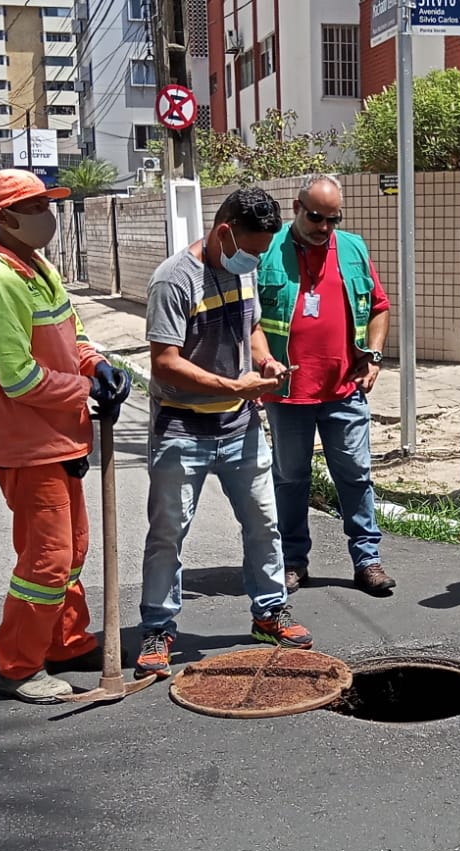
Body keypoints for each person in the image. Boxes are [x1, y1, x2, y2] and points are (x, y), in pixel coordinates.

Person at [0, 169, 132, 703]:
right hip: (29, 446)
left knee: (72, 550)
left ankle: (64, 641)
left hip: (61, 438)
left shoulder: (38, 268)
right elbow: (18, 378)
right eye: (34, 207)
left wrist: (97, 364)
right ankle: (17, 666)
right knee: (46, 560)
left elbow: (72, 336)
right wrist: (84, 389)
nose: (47, 216)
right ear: (4, 218)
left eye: (47, 205)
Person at [135, 186, 313, 680]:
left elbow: (250, 327)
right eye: (251, 249)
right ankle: (158, 627)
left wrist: (266, 360)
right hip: (182, 429)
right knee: (168, 533)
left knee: (264, 524)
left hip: (240, 426)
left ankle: (269, 611)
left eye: (261, 252)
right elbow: (164, 362)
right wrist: (235, 385)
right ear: (224, 232)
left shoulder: (244, 268)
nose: (254, 260)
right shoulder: (173, 280)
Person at [256, 174, 398, 597]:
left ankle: (367, 560)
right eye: (316, 217)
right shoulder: (268, 249)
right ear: (297, 208)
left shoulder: (353, 248)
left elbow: (379, 306)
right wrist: (260, 365)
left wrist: (374, 357)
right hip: (287, 393)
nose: (324, 227)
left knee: (355, 475)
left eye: (333, 219)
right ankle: (293, 561)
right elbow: (247, 318)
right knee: (290, 478)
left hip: (344, 390)